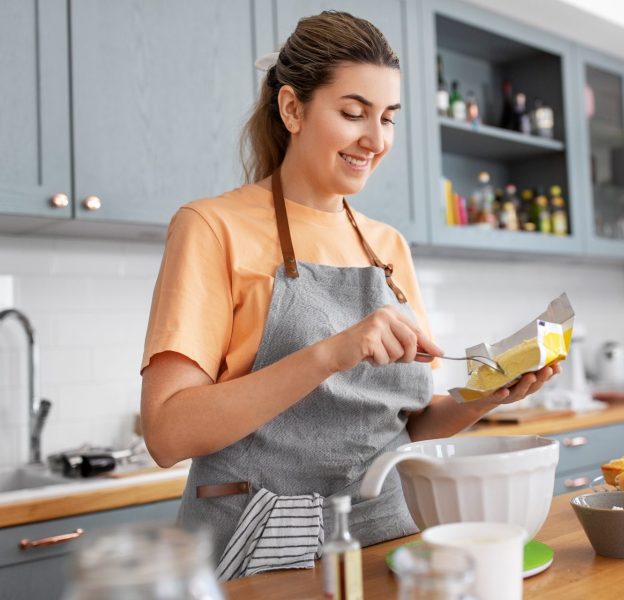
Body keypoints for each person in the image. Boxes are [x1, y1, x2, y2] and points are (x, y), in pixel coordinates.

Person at [140, 10, 559, 574]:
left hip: (390, 533)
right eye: (353, 113)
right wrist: (333, 352)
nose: (376, 139)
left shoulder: (388, 247)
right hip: (260, 539)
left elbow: (407, 424)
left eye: (387, 118)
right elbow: (167, 433)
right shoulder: (212, 227)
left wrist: (485, 398)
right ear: (292, 108)